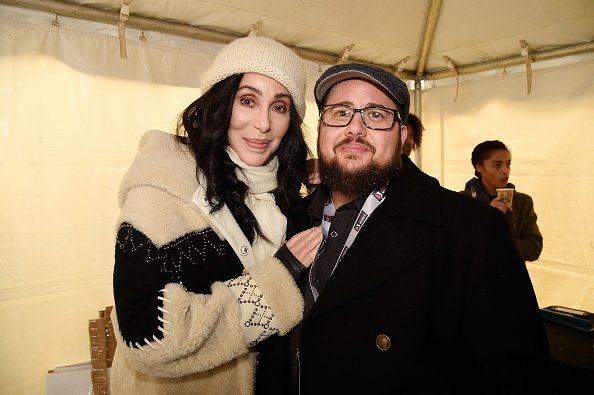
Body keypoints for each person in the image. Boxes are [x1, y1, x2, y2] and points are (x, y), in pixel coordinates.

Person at [282, 63, 552, 394]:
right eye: (340, 113)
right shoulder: (289, 215)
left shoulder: (470, 230)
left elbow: (518, 373)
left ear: (403, 135)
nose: (355, 128)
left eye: (377, 115)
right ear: (321, 127)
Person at [109, 36, 322, 395]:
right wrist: (278, 278)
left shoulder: (286, 198)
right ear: (220, 103)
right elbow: (148, 338)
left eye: (280, 107)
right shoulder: (160, 194)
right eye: (248, 101)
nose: (263, 124)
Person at [460, 140, 543, 262]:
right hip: (475, 277)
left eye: (508, 164)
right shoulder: (462, 201)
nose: (505, 170)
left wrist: (497, 243)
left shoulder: (522, 202)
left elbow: (534, 248)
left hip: (510, 277)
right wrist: (487, 215)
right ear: (479, 167)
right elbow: (459, 246)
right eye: (497, 165)